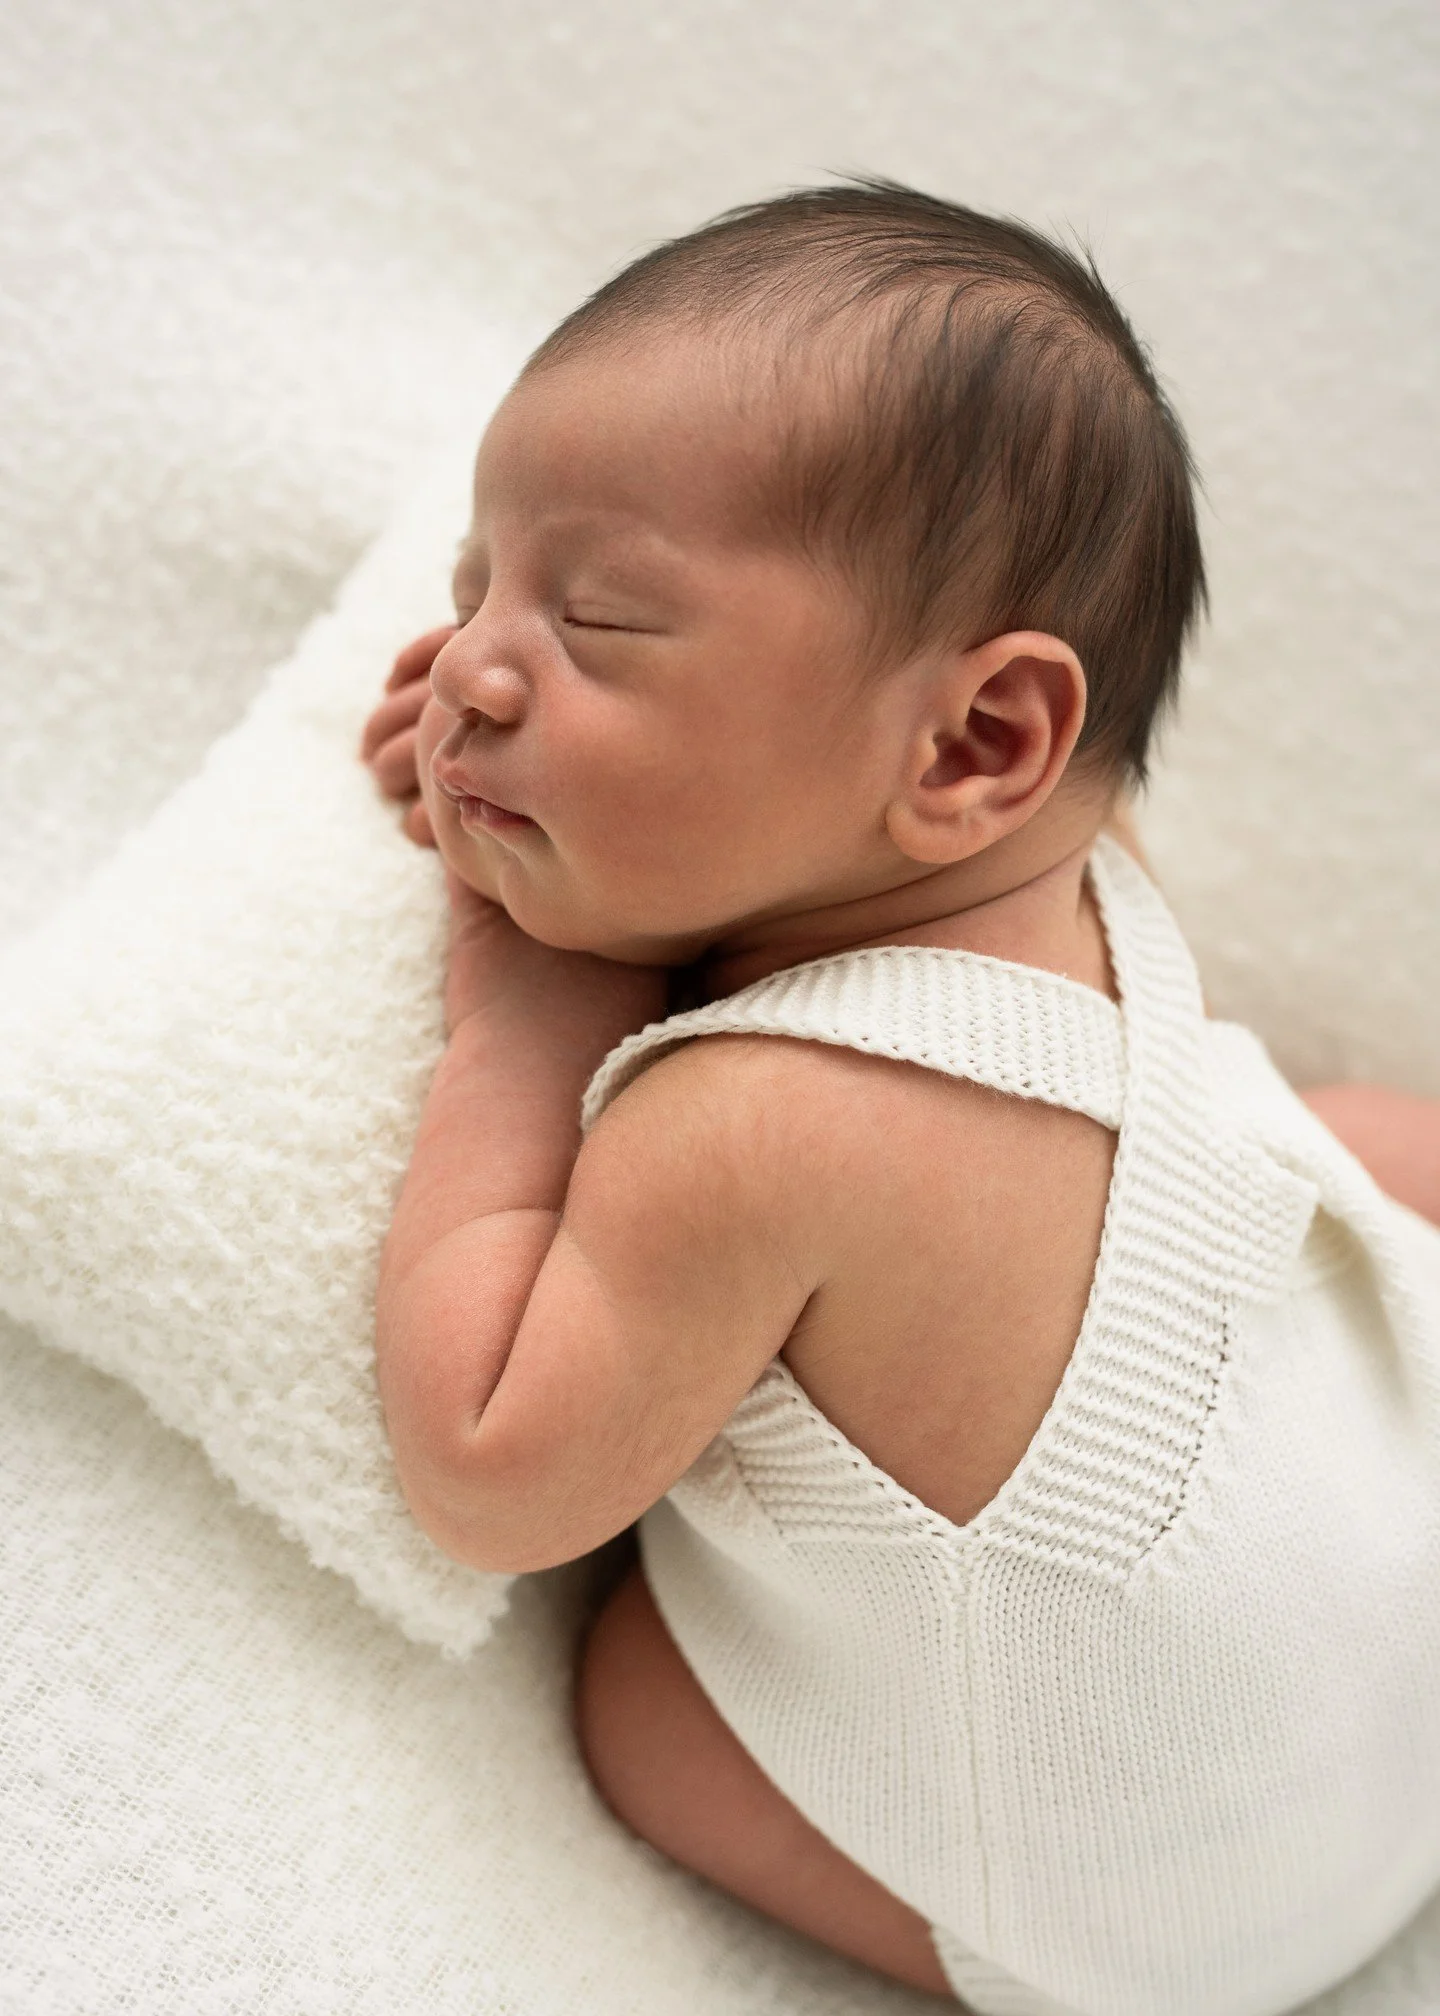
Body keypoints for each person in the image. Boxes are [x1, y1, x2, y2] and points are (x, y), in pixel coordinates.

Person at [359, 181, 1440, 2015]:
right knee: (1366, 1135)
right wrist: (561, 777)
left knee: (643, 1710)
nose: (468, 662)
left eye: (598, 619)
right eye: (479, 589)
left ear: (974, 744)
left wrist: (523, 1022)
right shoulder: (1094, 893)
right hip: (1397, 1642)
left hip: (1195, 1934)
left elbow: (491, 1473)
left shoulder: (752, 1125)